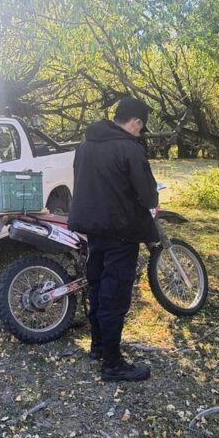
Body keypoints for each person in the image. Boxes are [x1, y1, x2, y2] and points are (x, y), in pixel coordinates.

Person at [68, 97, 159, 381]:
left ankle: (98, 346)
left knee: (97, 288)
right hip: (121, 231)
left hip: (92, 229)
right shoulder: (129, 148)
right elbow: (148, 196)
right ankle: (112, 364)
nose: (140, 133)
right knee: (114, 295)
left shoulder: (85, 145)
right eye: (141, 128)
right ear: (136, 122)